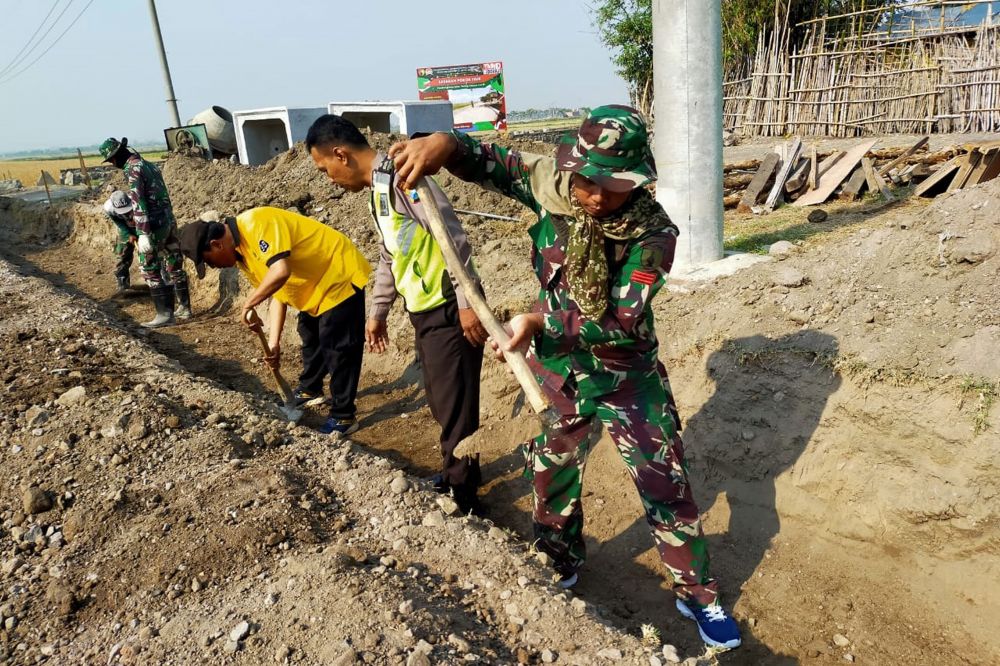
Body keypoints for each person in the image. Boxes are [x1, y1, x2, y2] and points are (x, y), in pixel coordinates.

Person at [386, 106, 741, 650]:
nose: (596, 197)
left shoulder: (654, 235)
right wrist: (443, 144)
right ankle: (558, 559)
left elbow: (619, 321)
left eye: (612, 186)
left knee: (664, 484)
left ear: (637, 179)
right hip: (560, 373)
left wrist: (535, 321)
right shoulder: (553, 190)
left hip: (626, 374)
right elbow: (489, 161)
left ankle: (697, 593)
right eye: (587, 181)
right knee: (552, 472)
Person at [306, 114, 487, 515]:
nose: (328, 178)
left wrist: (467, 302)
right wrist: (379, 310)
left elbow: (451, 237)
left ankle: (464, 496)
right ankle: (455, 474)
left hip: (447, 306)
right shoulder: (380, 189)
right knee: (443, 400)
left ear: (341, 154)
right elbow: (392, 254)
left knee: (454, 404)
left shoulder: (405, 178)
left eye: (325, 169)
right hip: (424, 309)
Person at [178, 207, 370, 437]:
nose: (214, 268)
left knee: (337, 345)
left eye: (209, 262)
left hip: (338, 273)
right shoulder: (243, 256)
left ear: (217, 244)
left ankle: (343, 416)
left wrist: (248, 304)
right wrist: (274, 342)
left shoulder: (258, 223)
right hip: (314, 286)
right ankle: (311, 389)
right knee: (309, 333)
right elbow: (278, 293)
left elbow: (280, 271)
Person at [99, 137, 190, 327]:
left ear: (115, 158)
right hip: (168, 221)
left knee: (148, 268)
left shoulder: (133, 170)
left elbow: (139, 203)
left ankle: (164, 315)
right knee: (174, 262)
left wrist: (143, 233)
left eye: (111, 161)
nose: (113, 165)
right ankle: (185, 308)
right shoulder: (149, 165)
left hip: (154, 226)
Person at [103, 190, 138, 295]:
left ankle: (160, 279)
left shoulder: (137, 201)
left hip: (141, 223)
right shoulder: (109, 208)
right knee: (122, 254)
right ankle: (122, 283)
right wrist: (128, 234)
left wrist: (141, 233)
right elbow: (118, 222)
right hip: (125, 227)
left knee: (150, 250)